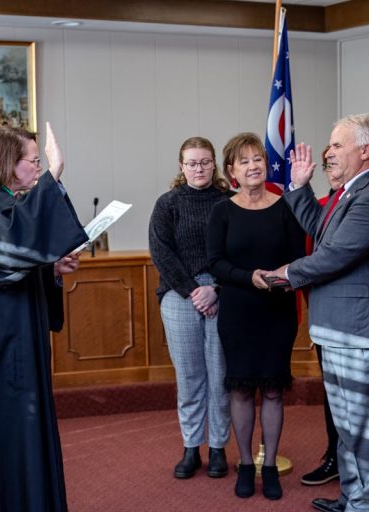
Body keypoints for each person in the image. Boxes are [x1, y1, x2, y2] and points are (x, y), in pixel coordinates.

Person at [266, 114, 369, 512]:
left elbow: (333, 256)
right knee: (346, 427)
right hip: (339, 330)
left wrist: (285, 274)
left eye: (337, 145)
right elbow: (321, 230)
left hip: (363, 331)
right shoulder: (348, 191)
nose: (329, 152)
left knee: (365, 430)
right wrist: (298, 186)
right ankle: (352, 498)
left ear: (365, 150)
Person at [0, 123, 88, 512]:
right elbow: (5, 259)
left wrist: (51, 268)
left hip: (10, 340)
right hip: (0, 350)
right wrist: (57, 175)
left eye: (41, 162)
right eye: (33, 161)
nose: (39, 168)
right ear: (9, 164)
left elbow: (14, 260)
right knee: (8, 436)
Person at [207, 132, 306, 501]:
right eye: (244, 161)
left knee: (275, 390)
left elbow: (299, 259)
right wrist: (249, 277)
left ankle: (269, 467)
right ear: (232, 170)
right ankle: (246, 464)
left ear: (267, 165)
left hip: (277, 309)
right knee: (243, 388)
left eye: (258, 160)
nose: (253, 166)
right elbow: (215, 262)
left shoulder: (285, 207)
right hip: (238, 310)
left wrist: (278, 275)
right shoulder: (222, 210)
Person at [148, 136, 232, 480]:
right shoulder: (168, 204)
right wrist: (193, 290)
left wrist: (216, 289)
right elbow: (161, 252)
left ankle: (218, 448)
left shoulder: (230, 202)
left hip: (223, 293)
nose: (199, 168)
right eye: (192, 163)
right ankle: (191, 447)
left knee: (220, 374)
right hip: (179, 295)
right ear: (181, 167)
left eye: (205, 162)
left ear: (215, 164)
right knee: (189, 376)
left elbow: (239, 250)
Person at [300, 145, 341, 487]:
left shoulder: (356, 204)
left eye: (336, 159)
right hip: (321, 309)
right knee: (332, 392)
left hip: (348, 315)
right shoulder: (319, 208)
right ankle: (335, 454)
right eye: (327, 163)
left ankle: (348, 461)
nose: (331, 167)